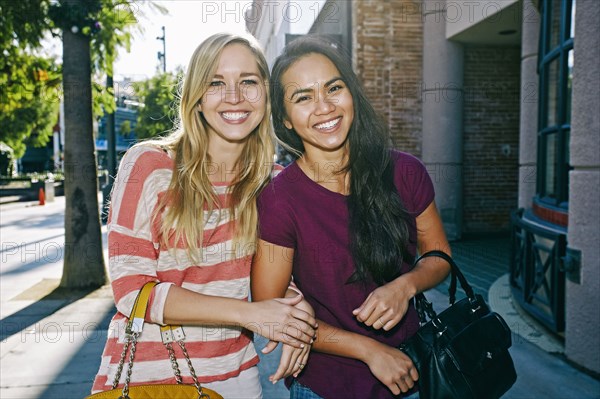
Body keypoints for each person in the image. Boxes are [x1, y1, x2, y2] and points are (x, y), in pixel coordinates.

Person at [91, 33, 317, 398]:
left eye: (248, 81)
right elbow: (132, 293)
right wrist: (250, 315)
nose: (234, 96)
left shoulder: (274, 183)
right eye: (216, 82)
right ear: (197, 97)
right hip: (151, 381)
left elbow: (271, 275)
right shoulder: (151, 165)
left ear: (265, 93)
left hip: (238, 378)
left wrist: (295, 316)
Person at [251, 36, 452, 399]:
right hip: (324, 386)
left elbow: (439, 256)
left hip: (412, 374)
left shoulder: (405, 172)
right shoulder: (279, 198)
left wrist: (405, 286)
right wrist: (367, 349)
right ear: (285, 119)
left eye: (334, 88)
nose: (324, 106)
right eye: (303, 97)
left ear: (352, 93)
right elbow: (270, 306)